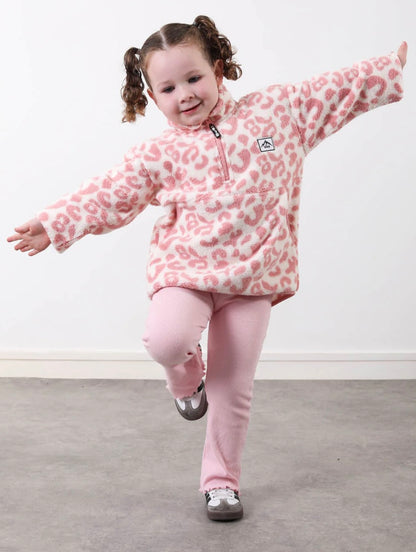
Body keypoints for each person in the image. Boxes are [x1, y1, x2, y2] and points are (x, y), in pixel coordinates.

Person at [7, 15, 407, 521]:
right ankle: (186, 383)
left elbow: (333, 92)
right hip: (185, 272)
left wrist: (387, 68)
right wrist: (54, 223)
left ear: (218, 70)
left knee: (232, 388)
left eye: (193, 78)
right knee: (165, 341)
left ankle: (222, 483)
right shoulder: (160, 153)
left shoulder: (277, 112)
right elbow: (108, 193)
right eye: (168, 88)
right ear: (154, 98)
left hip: (253, 279)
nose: (185, 95)